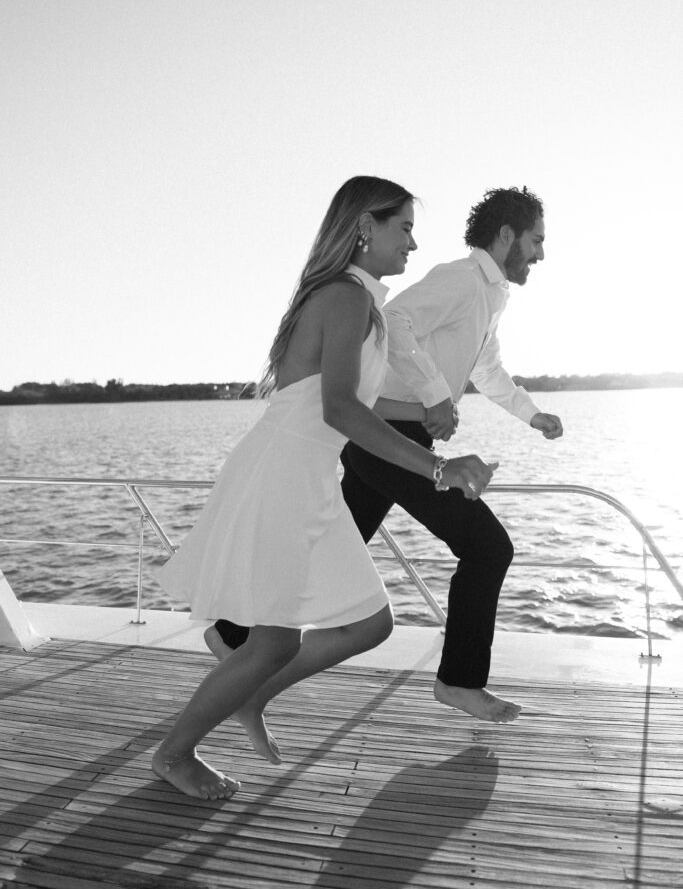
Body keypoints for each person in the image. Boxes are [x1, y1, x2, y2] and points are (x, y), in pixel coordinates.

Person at [152, 176, 498, 800]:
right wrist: (438, 468)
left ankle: (251, 698)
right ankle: (174, 754)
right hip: (283, 474)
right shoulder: (343, 297)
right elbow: (340, 409)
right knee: (274, 640)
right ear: (366, 226)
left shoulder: (360, 304)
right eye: (404, 228)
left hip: (311, 477)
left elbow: (354, 405)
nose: (413, 245)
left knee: (368, 623)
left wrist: (434, 412)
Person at [208, 186, 563, 725]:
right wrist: (433, 395)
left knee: (334, 540)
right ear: (507, 234)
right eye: (536, 240)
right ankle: (460, 681)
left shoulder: (491, 296)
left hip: (388, 433)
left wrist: (531, 414)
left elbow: (486, 368)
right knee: (488, 546)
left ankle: (231, 632)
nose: (541, 253)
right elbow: (394, 321)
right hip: (387, 434)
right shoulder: (461, 279)